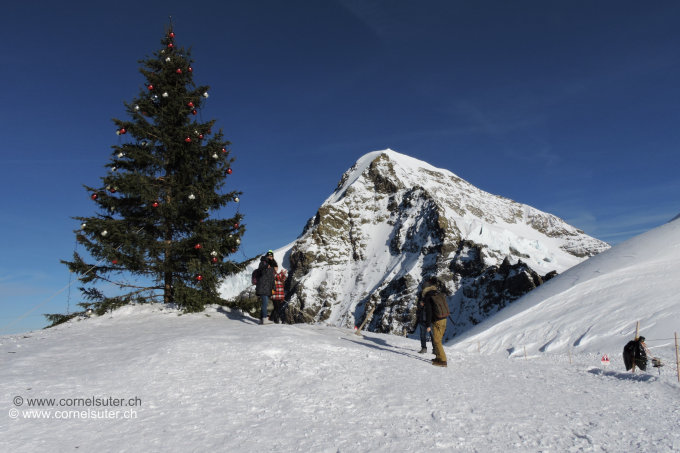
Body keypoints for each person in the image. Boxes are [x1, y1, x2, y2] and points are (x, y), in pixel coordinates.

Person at [422, 276, 447, 367]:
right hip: (444, 319)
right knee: (438, 340)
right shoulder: (437, 293)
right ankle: (438, 357)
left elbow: (429, 311)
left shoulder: (428, 296)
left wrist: (428, 324)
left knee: (437, 341)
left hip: (437, 321)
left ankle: (443, 361)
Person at [255, 251, 277, 325]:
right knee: (265, 303)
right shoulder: (263, 262)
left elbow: (272, 278)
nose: (270, 257)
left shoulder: (271, 266)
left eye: (272, 256)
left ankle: (262, 319)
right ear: (267, 256)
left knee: (265, 303)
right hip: (263, 287)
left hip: (267, 287)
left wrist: (274, 287)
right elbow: (261, 269)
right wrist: (266, 266)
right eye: (269, 256)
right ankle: (264, 318)